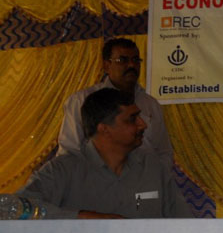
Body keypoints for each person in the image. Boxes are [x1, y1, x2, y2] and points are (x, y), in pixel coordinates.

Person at [19, 88, 192, 219]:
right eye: (132, 119)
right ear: (104, 129)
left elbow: (184, 223)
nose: (143, 125)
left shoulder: (153, 168)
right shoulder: (62, 170)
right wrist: (81, 218)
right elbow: (16, 209)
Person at [57, 37, 173, 167]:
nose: (131, 65)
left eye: (135, 60)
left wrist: (155, 176)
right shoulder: (81, 101)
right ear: (106, 66)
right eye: (122, 60)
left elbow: (164, 152)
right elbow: (68, 152)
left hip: (146, 178)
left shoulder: (150, 104)